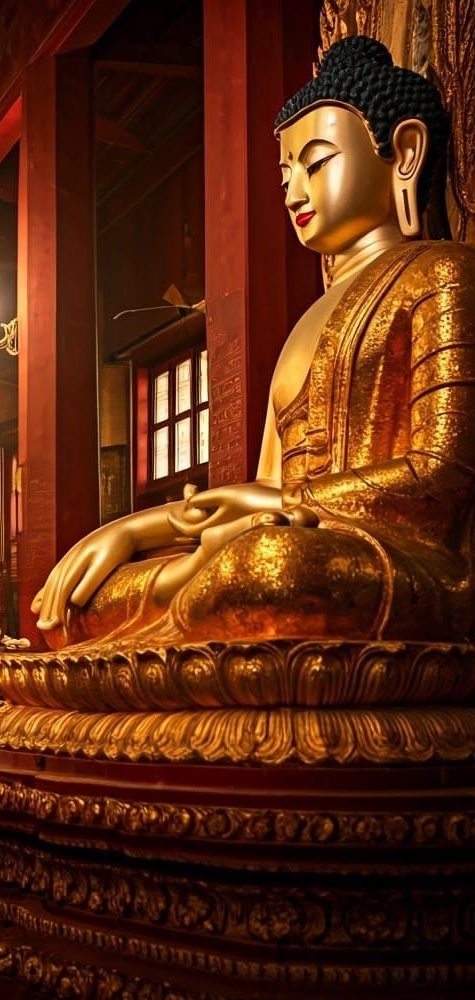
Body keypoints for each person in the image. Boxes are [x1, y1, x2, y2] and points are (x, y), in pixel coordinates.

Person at [33, 35, 474, 650]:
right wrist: (137, 531)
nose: (294, 193)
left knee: (271, 569)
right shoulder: (307, 322)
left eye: (316, 164)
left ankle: (198, 586)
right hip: (282, 535)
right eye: (285, 173)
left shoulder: (439, 274)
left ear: (403, 153)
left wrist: (251, 512)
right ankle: (193, 583)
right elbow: (269, 487)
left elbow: (441, 479)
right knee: (84, 604)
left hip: (397, 561)